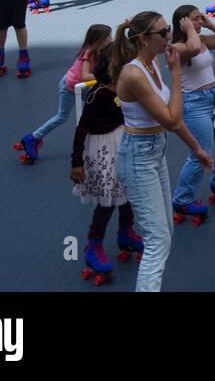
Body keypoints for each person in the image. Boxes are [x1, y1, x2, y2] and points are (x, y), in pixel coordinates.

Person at [112, 11, 213, 290]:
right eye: (163, 32)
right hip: (138, 156)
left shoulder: (153, 64)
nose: (169, 36)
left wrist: (197, 149)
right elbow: (170, 119)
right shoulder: (134, 74)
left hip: (154, 151)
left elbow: (172, 120)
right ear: (144, 40)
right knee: (157, 241)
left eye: (168, 29)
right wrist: (177, 73)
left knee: (165, 231)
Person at [71, 49, 142, 286]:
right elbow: (81, 129)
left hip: (122, 141)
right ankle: (93, 245)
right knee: (107, 199)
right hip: (102, 147)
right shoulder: (98, 95)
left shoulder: (122, 87)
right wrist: (77, 163)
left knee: (128, 190)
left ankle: (126, 232)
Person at [169, 4, 215, 215]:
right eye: (195, 19)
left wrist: (210, 24)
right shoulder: (176, 47)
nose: (200, 21)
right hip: (194, 103)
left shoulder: (202, 40)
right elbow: (190, 49)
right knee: (201, 153)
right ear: (184, 23)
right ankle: (182, 198)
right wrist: (191, 30)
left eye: (200, 18)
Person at [14, 24, 111, 165]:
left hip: (82, 88)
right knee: (62, 116)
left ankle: (97, 141)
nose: (111, 38)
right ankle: (33, 138)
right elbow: (84, 76)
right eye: (108, 36)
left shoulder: (103, 50)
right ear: (99, 39)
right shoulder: (89, 52)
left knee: (98, 110)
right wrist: (105, 76)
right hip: (70, 87)